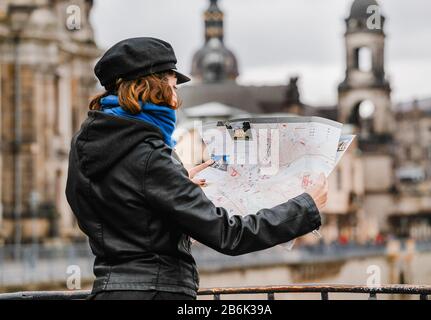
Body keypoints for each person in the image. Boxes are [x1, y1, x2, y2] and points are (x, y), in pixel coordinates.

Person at [65, 37, 328, 300]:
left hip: (108, 290)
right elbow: (229, 235)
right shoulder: (151, 156)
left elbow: (116, 210)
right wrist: (305, 207)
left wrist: (172, 183)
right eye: (172, 86)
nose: (176, 97)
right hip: (158, 292)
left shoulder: (85, 145)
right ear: (152, 88)